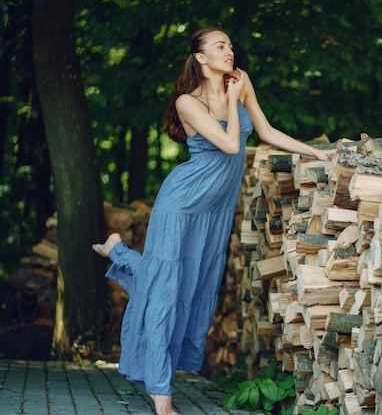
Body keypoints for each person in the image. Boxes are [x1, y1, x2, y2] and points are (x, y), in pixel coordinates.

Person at [92, 26, 334, 415]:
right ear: (201, 58)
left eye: (231, 46)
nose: (229, 51)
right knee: (165, 291)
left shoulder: (242, 81)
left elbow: (267, 130)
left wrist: (317, 154)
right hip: (182, 204)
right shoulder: (189, 102)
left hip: (215, 212)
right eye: (220, 46)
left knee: (186, 285)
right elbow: (232, 144)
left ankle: (118, 250)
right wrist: (233, 97)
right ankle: (161, 394)